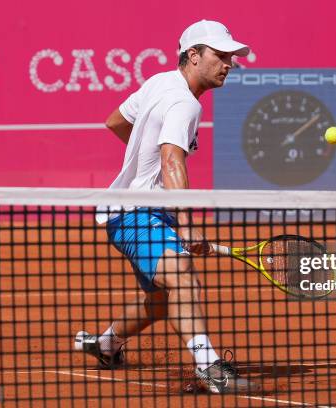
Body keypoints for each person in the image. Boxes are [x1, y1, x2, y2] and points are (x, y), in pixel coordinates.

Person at [74, 20, 258, 394]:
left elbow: (116, 122)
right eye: (220, 56)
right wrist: (187, 227)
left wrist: (144, 165)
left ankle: (105, 345)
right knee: (182, 275)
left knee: (160, 302)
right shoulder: (185, 103)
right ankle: (210, 369)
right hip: (136, 214)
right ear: (193, 55)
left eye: (231, 57)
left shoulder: (160, 81)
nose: (228, 64)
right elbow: (173, 160)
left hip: (137, 209)